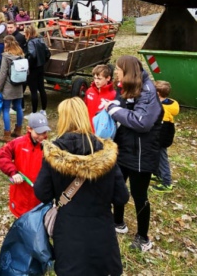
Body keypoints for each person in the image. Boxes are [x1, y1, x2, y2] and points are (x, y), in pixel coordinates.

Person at [34, 97, 129, 276]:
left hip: (68, 230)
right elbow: (121, 196)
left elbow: (42, 192)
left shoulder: (54, 154)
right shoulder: (106, 152)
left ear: (62, 119)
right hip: (101, 231)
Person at [108, 55, 163, 252]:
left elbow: (142, 122)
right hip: (124, 148)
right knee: (117, 187)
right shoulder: (126, 86)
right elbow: (120, 106)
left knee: (139, 195)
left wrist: (113, 110)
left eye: (118, 69)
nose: (116, 72)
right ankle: (118, 222)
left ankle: (143, 237)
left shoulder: (148, 91)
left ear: (128, 71)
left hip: (141, 153)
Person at [0, 111, 50, 218]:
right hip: (20, 193)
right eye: (38, 133)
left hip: (38, 196)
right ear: (29, 129)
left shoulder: (48, 147)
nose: (42, 136)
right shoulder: (18, 143)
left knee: (37, 220)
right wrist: (13, 172)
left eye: (44, 133)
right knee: (20, 220)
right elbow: (2, 157)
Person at [153, 81, 179, 193]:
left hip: (161, 138)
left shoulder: (161, 108)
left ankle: (167, 183)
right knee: (157, 156)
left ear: (158, 93)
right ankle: (158, 174)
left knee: (162, 159)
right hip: (162, 137)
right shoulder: (168, 103)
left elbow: (161, 127)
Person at [24, 25, 50, 112]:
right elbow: (48, 53)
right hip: (40, 67)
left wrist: (28, 64)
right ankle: (43, 110)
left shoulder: (30, 42)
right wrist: (43, 61)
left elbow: (32, 55)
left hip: (33, 69)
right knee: (42, 89)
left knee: (33, 91)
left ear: (28, 33)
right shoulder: (41, 40)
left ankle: (34, 112)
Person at [84, 64, 117, 130]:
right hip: (88, 128)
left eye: (99, 79)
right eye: (95, 78)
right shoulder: (89, 91)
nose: (96, 81)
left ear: (108, 78)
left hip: (102, 131)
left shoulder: (113, 95)